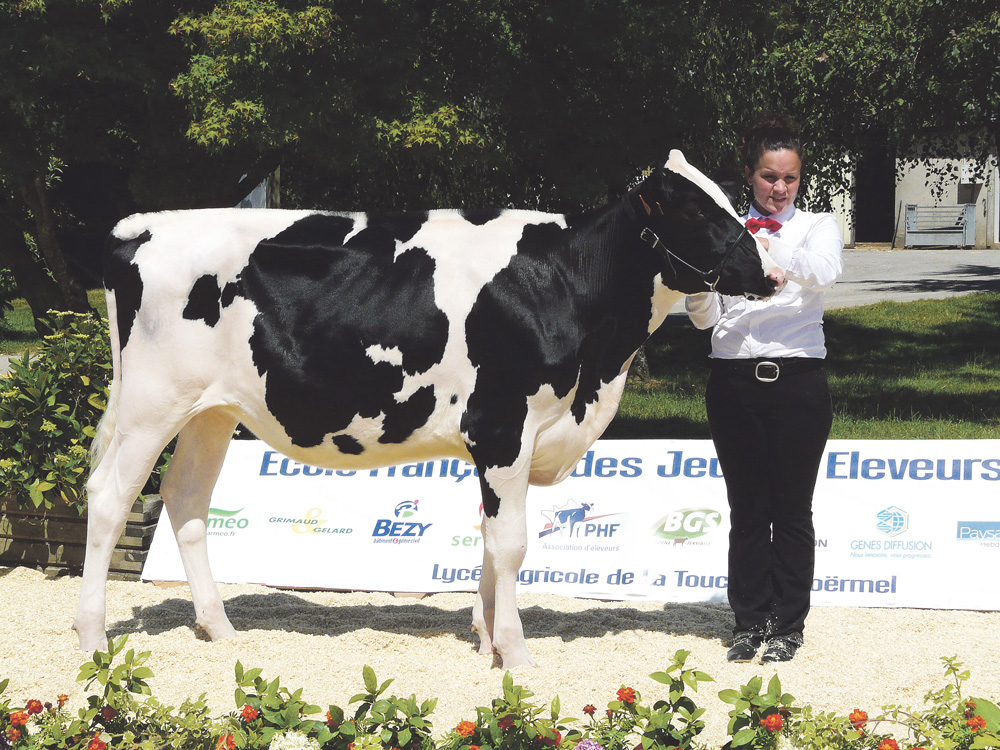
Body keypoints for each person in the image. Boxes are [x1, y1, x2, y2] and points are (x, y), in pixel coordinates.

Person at [685, 112, 843, 663]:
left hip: (798, 380)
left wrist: (766, 252)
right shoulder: (724, 231)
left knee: (792, 508)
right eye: (769, 177)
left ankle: (788, 624)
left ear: (801, 179)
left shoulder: (818, 226)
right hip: (732, 382)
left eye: (790, 178)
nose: (779, 189)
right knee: (747, 509)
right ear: (749, 175)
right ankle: (749, 620)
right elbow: (705, 320)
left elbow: (824, 271)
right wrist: (705, 280)